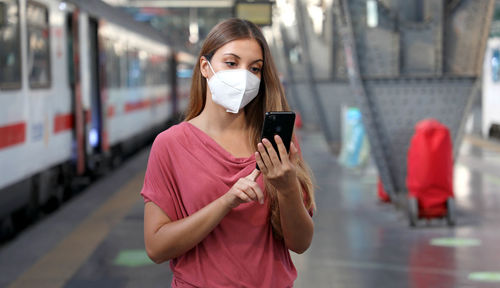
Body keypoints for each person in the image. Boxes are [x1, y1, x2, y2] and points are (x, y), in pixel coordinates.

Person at [141, 18, 315, 287]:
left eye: (254, 68)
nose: (244, 76)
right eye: (232, 63)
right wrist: (226, 202)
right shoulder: (171, 145)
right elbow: (156, 247)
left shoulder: (275, 143)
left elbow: (300, 243)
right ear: (205, 67)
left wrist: (288, 187)